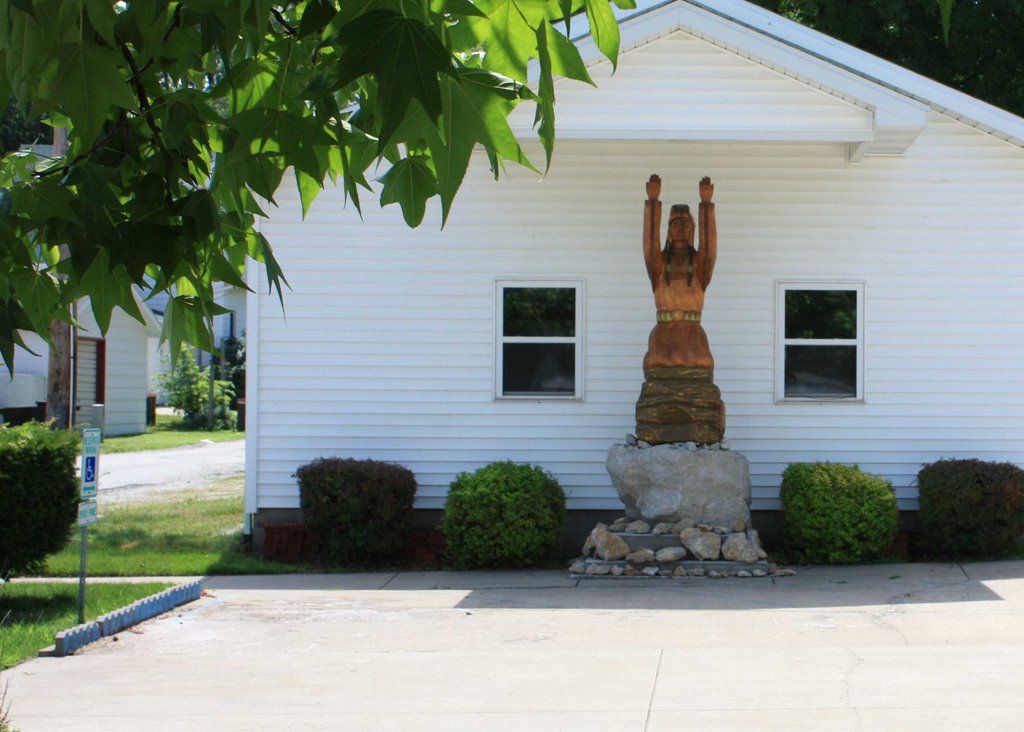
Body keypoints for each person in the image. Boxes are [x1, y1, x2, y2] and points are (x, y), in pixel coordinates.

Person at [642, 174, 717, 372]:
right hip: (664, 333)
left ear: (692, 229)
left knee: (702, 364)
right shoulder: (659, 264)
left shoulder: (700, 266)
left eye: (685, 223)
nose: (681, 228)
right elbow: (650, 246)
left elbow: (709, 249)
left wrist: (706, 204)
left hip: (693, 335)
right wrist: (652, 202)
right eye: (675, 223)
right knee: (659, 364)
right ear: (668, 230)